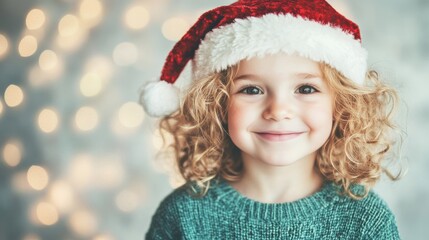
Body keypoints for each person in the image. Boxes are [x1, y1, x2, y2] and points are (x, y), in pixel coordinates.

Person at [141, 0, 402, 239]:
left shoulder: (366, 220)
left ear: (341, 105)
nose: (278, 110)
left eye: (306, 89)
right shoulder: (183, 216)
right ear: (217, 104)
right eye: (252, 90)